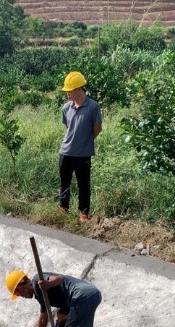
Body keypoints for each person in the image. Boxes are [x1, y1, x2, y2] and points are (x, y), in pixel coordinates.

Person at [58, 71, 102, 223]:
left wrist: (84, 141)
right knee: (65, 182)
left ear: (78, 89)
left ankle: (83, 213)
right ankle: (63, 207)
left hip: (83, 154)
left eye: (69, 91)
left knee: (83, 185)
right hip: (66, 152)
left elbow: (97, 129)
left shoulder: (93, 107)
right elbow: (67, 126)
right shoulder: (66, 108)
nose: (67, 94)